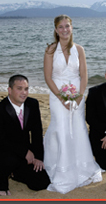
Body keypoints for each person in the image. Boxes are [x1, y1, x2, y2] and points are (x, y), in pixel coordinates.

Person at [43, 14, 102, 194]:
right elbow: (47, 77)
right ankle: (61, 169)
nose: (64, 30)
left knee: (77, 129)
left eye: (67, 26)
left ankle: (82, 167)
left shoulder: (79, 50)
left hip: (77, 96)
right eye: (60, 27)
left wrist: (78, 97)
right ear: (55, 30)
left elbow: (84, 76)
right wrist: (62, 98)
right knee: (61, 128)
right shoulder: (50, 50)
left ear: (72, 27)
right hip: (57, 96)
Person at [0, 74, 50, 196]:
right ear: (10, 90)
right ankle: (1, 182)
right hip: (3, 151)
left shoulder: (32, 104)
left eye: (26, 89)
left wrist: (38, 157)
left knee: (41, 183)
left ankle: (15, 173)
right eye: (19, 88)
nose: (24, 93)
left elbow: (37, 132)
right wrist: (24, 152)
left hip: (26, 153)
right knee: (8, 161)